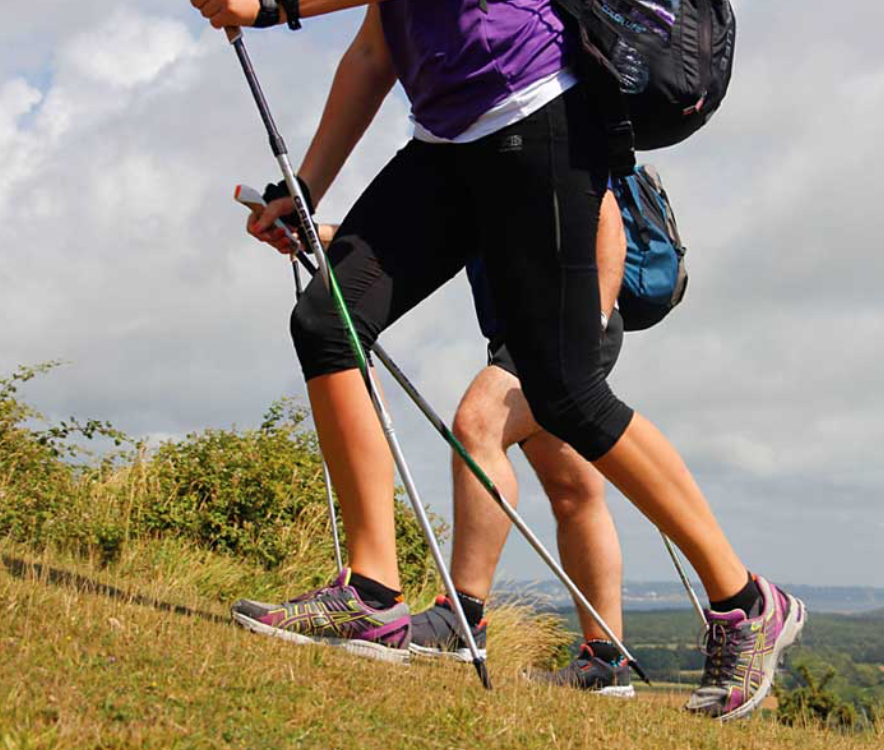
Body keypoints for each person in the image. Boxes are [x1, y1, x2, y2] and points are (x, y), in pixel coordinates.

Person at [192, 0, 806, 720]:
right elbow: (371, 57)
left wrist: (273, 8)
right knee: (328, 321)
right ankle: (371, 595)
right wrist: (304, 194)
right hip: (444, 143)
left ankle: (745, 601)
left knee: (567, 395)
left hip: (537, 118)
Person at [409, 189, 633, 698]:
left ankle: (460, 620)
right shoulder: (468, 155)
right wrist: (325, 237)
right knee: (573, 490)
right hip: (530, 334)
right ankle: (606, 662)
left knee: (478, 424)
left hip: (565, 328)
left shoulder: (529, 124)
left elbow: (607, 220)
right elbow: (426, 239)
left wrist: (588, 325)